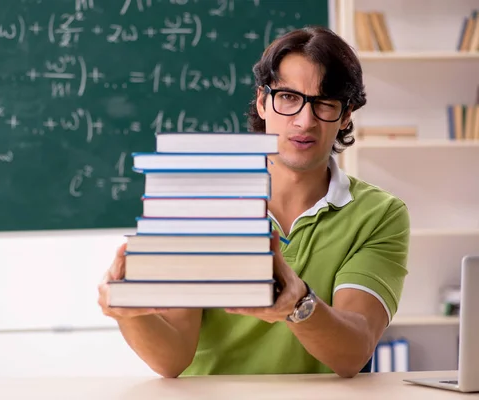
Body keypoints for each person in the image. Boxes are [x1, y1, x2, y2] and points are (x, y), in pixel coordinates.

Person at [97, 26, 410, 379]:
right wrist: (126, 313)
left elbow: (354, 351)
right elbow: (172, 359)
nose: (304, 121)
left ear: (346, 114)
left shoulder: (379, 214)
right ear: (263, 102)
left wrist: (298, 304)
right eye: (289, 97)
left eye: (324, 103)